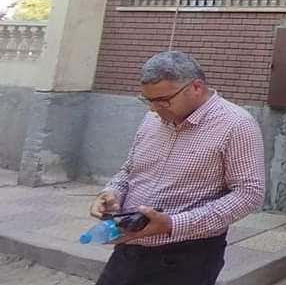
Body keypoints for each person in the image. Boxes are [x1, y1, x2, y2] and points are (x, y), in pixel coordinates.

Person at [90, 51, 265, 285]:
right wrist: (111, 192)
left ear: (196, 87)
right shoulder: (153, 118)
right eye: (148, 100)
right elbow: (130, 169)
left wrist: (173, 224)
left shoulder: (236, 124)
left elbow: (249, 194)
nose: (154, 109)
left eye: (163, 100)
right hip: (129, 248)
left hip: (186, 256)